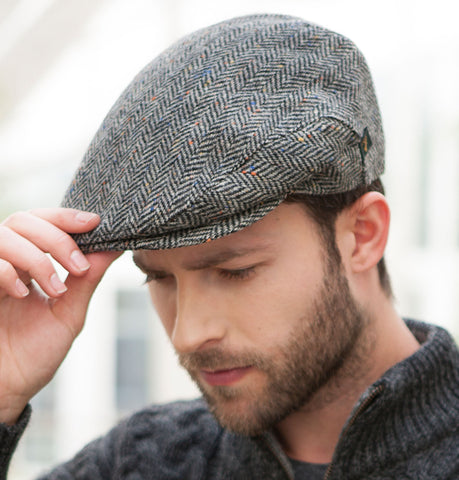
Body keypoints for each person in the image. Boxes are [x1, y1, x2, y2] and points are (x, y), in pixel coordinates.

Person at [0, 14, 458, 480]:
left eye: (235, 271)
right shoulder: (139, 463)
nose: (188, 334)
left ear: (363, 235)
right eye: (158, 277)